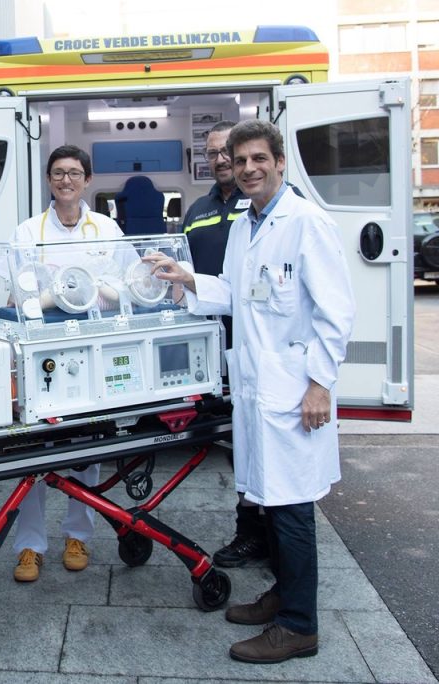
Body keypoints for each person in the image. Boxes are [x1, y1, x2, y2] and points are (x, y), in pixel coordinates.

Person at [144, 119, 354, 664]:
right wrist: (184, 277)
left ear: (280, 163)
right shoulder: (245, 224)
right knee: (267, 501)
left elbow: (337, 313)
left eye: (259, 159)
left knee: (292, 509)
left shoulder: (305, 222)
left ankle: (299, 626)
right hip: (259, 391)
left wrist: (320, 385)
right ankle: (285, 596)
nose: (249, 169)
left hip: (295, 390)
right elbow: (236, 293)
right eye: (240, 162)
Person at [11, 144, 125, 583]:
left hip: (90, 349)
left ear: (87, 180)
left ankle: (78, 534)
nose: (66, 180)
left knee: (86, 449)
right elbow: (21, 294)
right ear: (49, 179)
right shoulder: (28, 231)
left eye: (74, 173)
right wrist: (52, 294)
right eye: (58, 173)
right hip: (42, 349)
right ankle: (29, 547)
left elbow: (122, 288)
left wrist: (95, 289)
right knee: (33, 452)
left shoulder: (108, 228)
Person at [182, 121, 269, 569]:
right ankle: (250, 530)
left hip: (254, 342)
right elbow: (188, 269)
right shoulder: (196, 210)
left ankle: (265, 534)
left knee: (260, 445)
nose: (221, 161)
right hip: (210, 343)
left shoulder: (257, 208)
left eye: (227, 153)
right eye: (215, 154)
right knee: (242, 443)